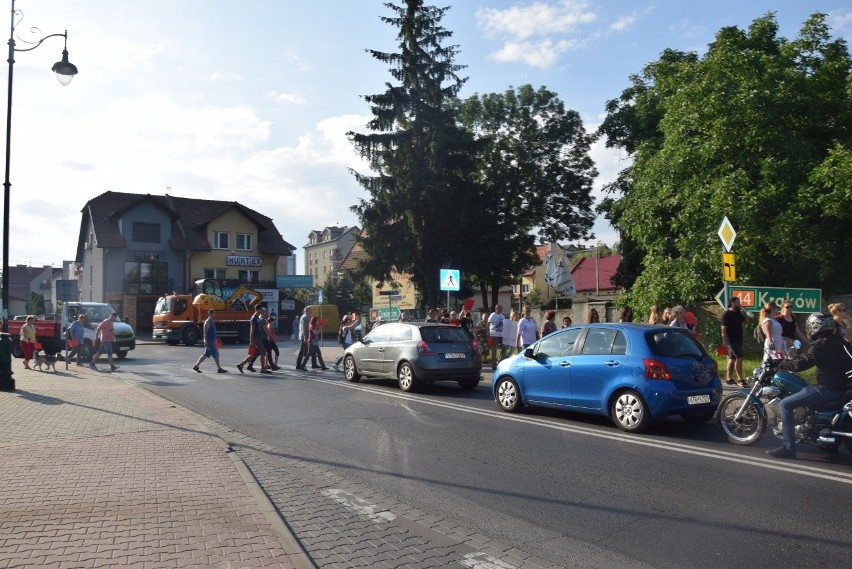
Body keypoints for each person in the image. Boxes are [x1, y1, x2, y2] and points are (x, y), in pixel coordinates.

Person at [767, 312, 852, 459]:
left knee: (786, 404)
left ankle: (788, 448)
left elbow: (802, 363)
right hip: (843, 386)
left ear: (815, 327)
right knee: (808, 393)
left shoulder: (821, 344)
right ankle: (827, 443)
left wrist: (781, 364)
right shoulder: (839, 341)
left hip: (828, 388)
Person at [721, 296, 749, 386]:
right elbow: (723, 328)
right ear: (732, 303)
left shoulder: (738, 313)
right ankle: (740, 379)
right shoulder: (727, 314)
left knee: (732, 359)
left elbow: (746, 322)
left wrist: (745, 313)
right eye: (738, 302)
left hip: (738, 339)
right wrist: (724, 340)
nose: (739, 303)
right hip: (731, 340)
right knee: (739, 357)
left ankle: (728, 378)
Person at [237, 305, 271, 374]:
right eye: (261, 309)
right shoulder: (254, 318)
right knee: (263, 352)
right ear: (257, 310)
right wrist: (251, 340)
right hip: (256, 338)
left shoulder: (257, 317)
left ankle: (241, 365)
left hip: (258, 337)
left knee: (254, 354)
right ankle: (263, 369)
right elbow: (252, 330)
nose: (262, 311)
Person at [295, 306, 314, 371]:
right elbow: (304, 328)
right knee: (304, 351)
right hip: (304, 337)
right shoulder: (305, 317)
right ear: (307, 311)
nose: (311, 312)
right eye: (310, 310)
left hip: (304, 336)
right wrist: (306, 337)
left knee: (303, 351)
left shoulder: (304, 316)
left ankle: (299, 365)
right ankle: (300, 365)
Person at [487, 304, 506, 370]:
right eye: (500, 308)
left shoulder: (502, 316)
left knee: (504, 348)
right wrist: (488, 333)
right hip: (494, 334)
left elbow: (505, 324)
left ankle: (499, 361)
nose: (501, 310)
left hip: (501, 334)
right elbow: (488, 324)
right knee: (494, 350)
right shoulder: (493, 315)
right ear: (496, 308)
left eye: (502, 309)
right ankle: (493, 364)